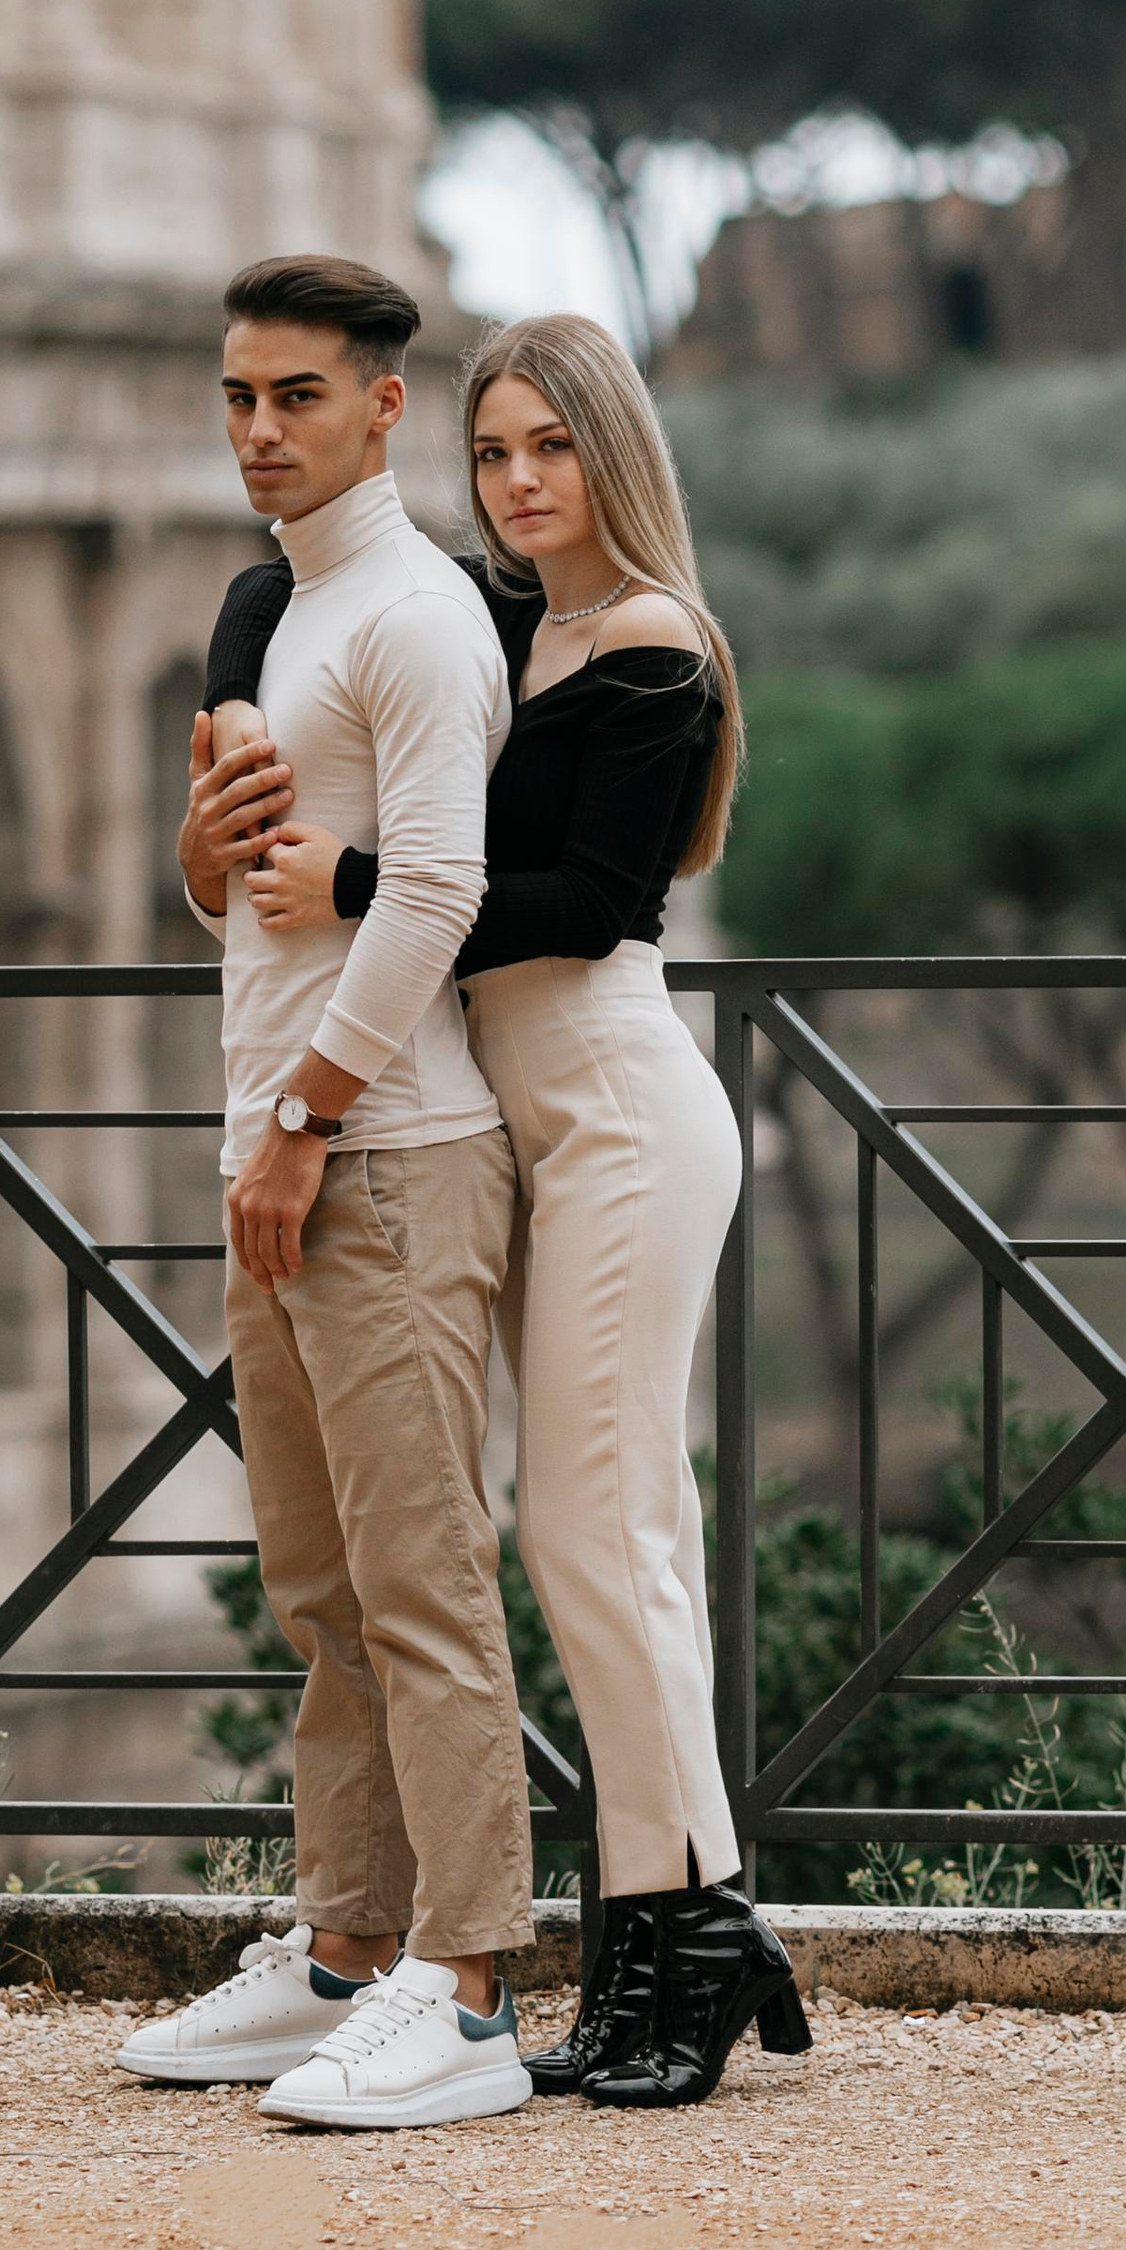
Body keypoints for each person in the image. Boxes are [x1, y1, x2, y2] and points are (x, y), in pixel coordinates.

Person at [203, 313, 808, 2111]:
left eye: (554, 449)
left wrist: (357, 875)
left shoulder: (651, 653)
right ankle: (669, 1921)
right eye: (494, 454)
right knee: (623, 1533)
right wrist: (241, 702)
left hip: (613, 1109)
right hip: (520, 1125)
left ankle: (684, 1928)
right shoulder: (497, 619)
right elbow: (272, 592)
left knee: (589, 1535)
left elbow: (588, 895)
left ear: (616, 460)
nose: (521, 482)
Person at [116, 254, 540, 2132]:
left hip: (382, 1157)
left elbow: (433, 894)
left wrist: (302, 1119)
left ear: (386, 405)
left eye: (296, 397)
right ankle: (347, 1956)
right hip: (278, 1149)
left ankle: (469, 2002)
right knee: (320, 1590)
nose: (258, 432)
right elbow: (251, 896)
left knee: (423, 1582)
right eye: (236, 398)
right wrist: (198, 860)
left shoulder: (420, 620)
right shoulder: (276, 617)